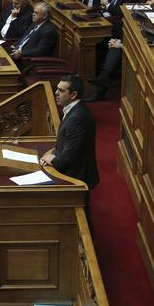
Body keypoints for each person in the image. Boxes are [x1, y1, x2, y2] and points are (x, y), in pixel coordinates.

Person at [40, 76, 99, 227]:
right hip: (75, 171)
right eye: (57, 89)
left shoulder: (77, 117)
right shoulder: (74, 110)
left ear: (73, 95)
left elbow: (68, 156)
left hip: (76, 176)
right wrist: (53, 153)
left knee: (81, 220)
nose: (56, 93)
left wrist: (51, 159)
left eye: (61, 90)